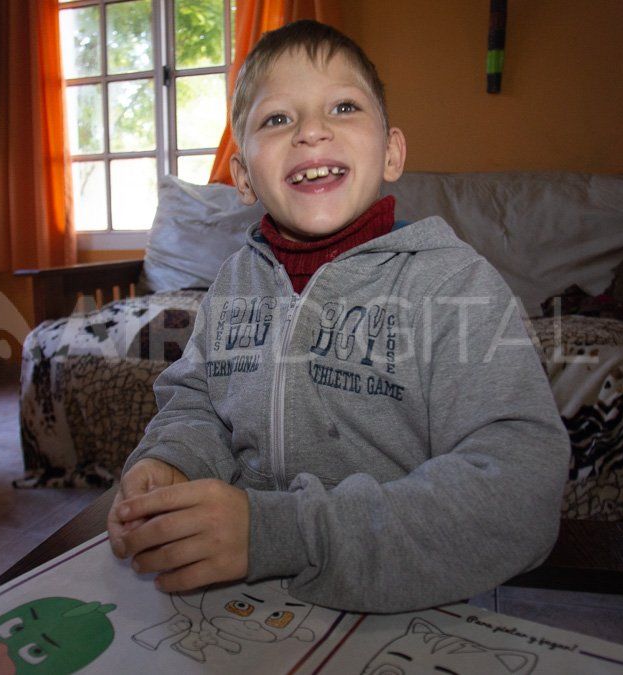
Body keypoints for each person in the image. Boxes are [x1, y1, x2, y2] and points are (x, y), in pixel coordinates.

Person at [107, 20, 570, 613]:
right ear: (243, 174)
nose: (312, 131)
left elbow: (521, 487)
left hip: (410, 613)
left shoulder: (451, 284)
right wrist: (170, 460)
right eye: (277, 118)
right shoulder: (233, 283)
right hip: (244, 613)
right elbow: (198, 402)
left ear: (391, 151)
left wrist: (279, 533)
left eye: (343, 107)